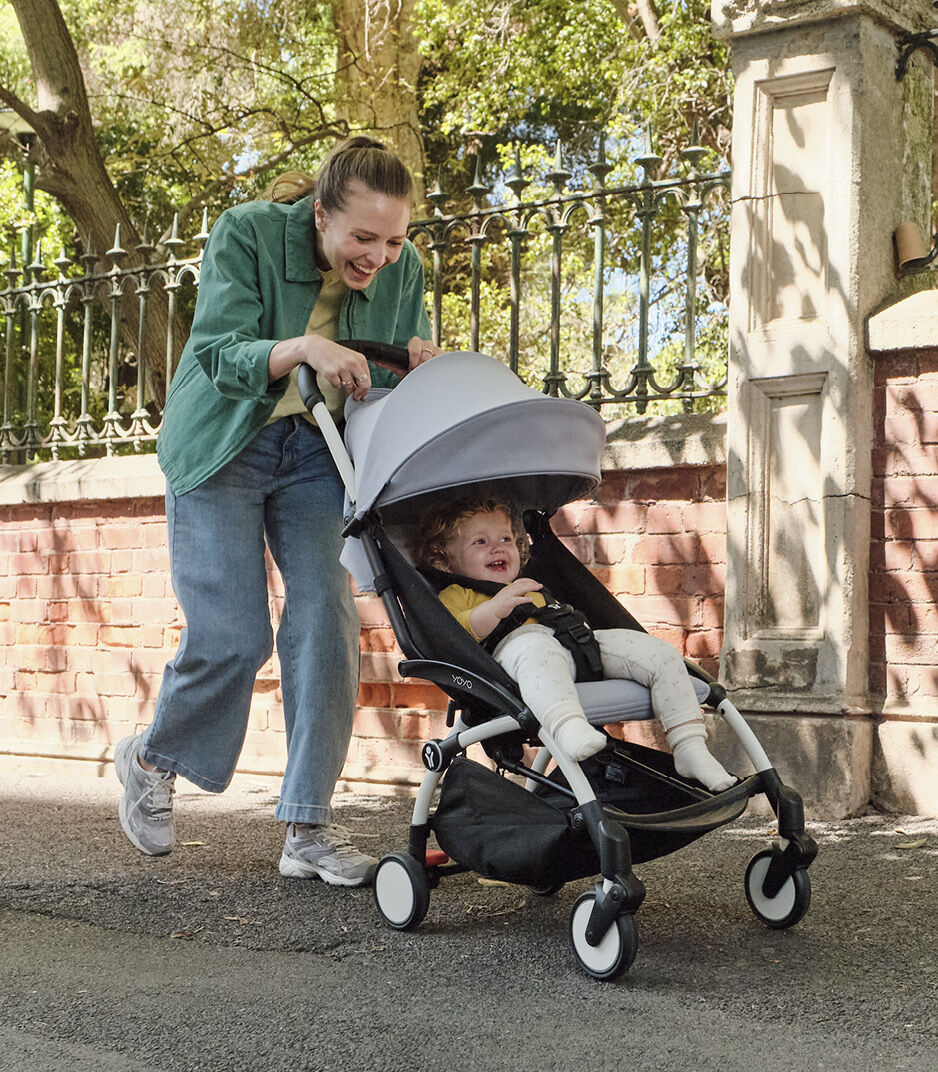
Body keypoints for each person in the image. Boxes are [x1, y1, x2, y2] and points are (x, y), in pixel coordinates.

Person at [115, 136, 440, 886]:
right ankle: (152, 756)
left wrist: (417, 361)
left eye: (393, 240)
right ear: (320, 215)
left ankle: (308, 830)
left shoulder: (405, 269)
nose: (378, 256)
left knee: (327, 622)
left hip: (317, 451)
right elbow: (218, 354)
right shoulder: (249, 232)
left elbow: (383, 384)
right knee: (233, 634)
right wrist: (301, 348)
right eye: (362, 238)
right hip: (225, 441)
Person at [412, 496, 734, 790]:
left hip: (579, 643)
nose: (497, 547)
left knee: (658, 652)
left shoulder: (527, 581)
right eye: (480, 541)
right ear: (445, 561)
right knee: (536, 649)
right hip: (523, 654)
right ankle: (568, 728)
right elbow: (456, 634)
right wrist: (494, 609)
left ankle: (690, 746)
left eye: (505, 538)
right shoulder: (456, 593)